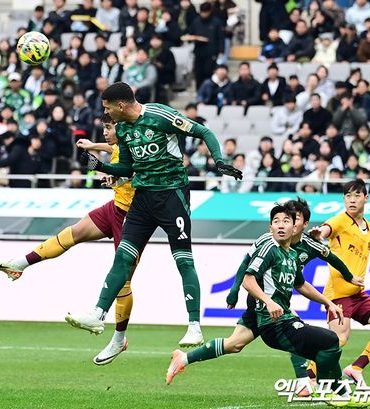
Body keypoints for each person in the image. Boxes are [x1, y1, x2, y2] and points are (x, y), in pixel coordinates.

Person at [66, 82, 242, 347]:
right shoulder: (123, 129)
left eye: (108, 108)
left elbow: (203, 131)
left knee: (183, 261)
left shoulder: (161, 116)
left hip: (172, 196)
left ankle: (194, 327)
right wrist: (99, 165)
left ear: (121, 105)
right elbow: (127, 168)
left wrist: (218, 161)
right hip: (143, 199)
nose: (106, 113)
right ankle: (97, 314)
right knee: (123, 257)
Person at [166, 200, 362, 392]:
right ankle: (307, 383)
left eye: (290, 220)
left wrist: (330, 299)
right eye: (279, 221)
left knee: (234, 344)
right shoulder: (268, 244)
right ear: (271, 226)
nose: (285, 225)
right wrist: (236, 291)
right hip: (263, 301)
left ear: (301, 224)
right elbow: (247, 268)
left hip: (274, 303)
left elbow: (304, 280)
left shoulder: (297, 251)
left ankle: (184, 358)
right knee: (298, 329)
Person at [0, 114, 139, 365]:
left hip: (133, 216)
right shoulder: (120, 144)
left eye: (108, 127)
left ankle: (119, 339)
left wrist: (112, 175)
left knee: (123, 280)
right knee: (74, 233)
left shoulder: (136, 148)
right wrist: (93, 146)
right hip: (115, 207)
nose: (105, 132)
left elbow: (133, 170)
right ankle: (19, 265)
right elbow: (113, 148)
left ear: (121, 129)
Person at [308, 179, 370, 387]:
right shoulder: (340, 220)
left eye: (357, 195)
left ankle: (356, 368)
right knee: (338, 339)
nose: (352, 200)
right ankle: (309, 376)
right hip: (338, 294)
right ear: (343, 199)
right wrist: (319, 234)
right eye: (348, 196)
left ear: (365, 198)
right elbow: (326, 229)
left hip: (358, 295)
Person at [184, 2, 224, 90]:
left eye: (205, 12)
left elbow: (221, 38)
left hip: (211, 53)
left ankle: (209, 92)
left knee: (208, 73)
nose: (203, 14)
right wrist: (195, 38)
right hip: (199, 52)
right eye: (202, 12)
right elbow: (190, 34)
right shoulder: (196, 21)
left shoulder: (216, 22)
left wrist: (221, 51)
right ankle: (199, 92)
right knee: (198, 74)